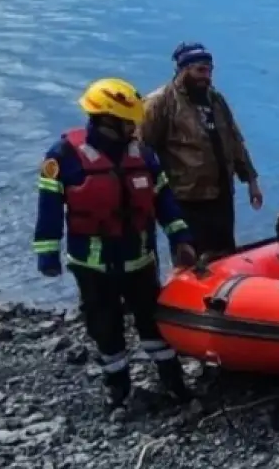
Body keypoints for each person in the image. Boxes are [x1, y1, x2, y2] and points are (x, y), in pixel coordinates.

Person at [33, 78, 197, 409]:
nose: (134, 128)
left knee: (153, 322)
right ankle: (118, 387)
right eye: (128, 122)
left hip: (139, 259)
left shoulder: (144, 155)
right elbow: (49, 210)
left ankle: (173, 381)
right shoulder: (63, 156)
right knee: (104, 326)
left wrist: (180, 237)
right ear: (108, 119)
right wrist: (47, 253)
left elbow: (164, 201)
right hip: (92, 264)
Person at [139, 42, 263, 260]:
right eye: (200, 70)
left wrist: (251, 181)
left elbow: (234, 141)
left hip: (222, 196)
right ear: (183, 70)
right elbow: (142, 151)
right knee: (193, 261)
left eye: (210, 70)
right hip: (186, 200)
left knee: (225, 257)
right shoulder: (159, 103)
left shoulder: (215, 99)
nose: (207, 76)